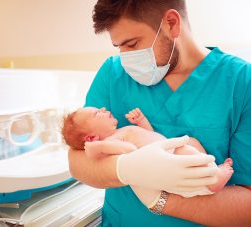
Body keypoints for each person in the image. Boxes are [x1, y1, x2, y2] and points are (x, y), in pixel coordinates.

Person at [68, 0, 251, 226]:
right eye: (119, 47)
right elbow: (78, 160)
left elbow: (247, 208)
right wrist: (126, 169)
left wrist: (159, 199)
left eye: (132, 45)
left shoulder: (241, 82)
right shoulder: (112, 73)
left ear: (171, 24)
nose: (125, 58)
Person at [62, 106, 233, 198]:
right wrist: (99, 147)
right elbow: (132, 151)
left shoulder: (120, 132)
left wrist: (142, 122)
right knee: (186, 150)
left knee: (192, 144)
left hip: (166, 148)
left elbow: (150, 136)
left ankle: (209, 169)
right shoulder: (110, 141)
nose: (104, 109)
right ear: (91, 138)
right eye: (97, 113)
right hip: (168, 157)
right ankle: (212, 180)